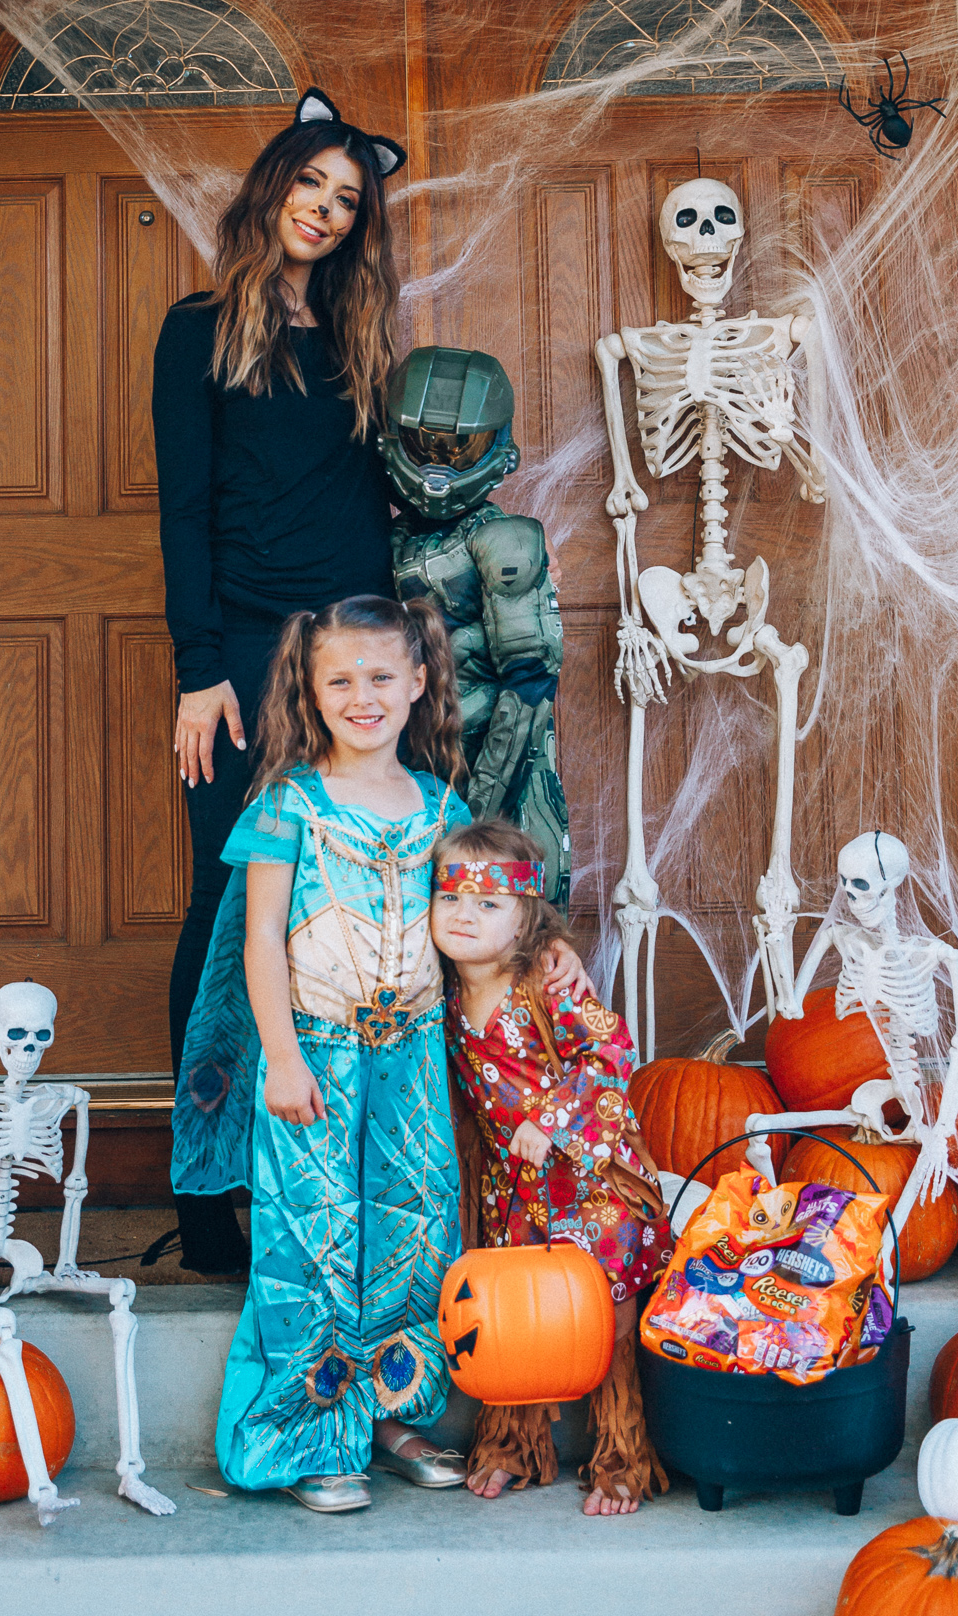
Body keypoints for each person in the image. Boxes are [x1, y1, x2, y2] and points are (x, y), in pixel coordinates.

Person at [170, 596, 591, 1513]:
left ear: (418, 684)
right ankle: (313, 1434)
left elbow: (495, 913)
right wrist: (279, 1059)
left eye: (380, 678)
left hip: (412, 1060)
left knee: (409, 1229)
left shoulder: (442, 808)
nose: (363, 696)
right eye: (341, 680)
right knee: (314, 1236)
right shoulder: (289, 806)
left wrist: (547, 943)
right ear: (310, 692)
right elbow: (257, 942)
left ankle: (390, 1416)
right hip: (314, 1053)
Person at [152, 88, 408, 1275]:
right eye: (310, 185)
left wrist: (399, 660)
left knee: (343, 914)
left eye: (346, 199)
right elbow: (185, 509)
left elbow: (381, 507)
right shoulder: (197, 329)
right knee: (225, 914)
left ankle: (322, 1179)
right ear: (271, 189)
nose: (324, 209)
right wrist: (200, 670)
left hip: (350, 658)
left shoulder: (360, 341)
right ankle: (208, 1206)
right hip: (246, 661)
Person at [431, 817, 671, 1516]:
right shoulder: (439, 993)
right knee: (515, 1319)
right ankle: (512, 1444)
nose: (464, 916)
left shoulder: (547, 980)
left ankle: (621, 1459)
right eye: (449, 899)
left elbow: (612, 1053)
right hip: (515, 1190)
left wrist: (552, 1117)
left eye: (487, 904)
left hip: (592, 1181)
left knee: (604, 1316)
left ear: (526, 916)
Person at [381, 345, 570, 905]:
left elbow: (531, 687)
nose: (441, 463)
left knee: (512, 956)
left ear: (499, 448)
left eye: (463, 448)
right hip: (412, 782)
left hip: (500, 788)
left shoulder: (504, 540)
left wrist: (476, 813)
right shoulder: (387, 536)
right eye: (425, 443)